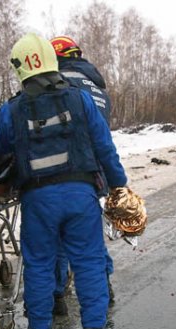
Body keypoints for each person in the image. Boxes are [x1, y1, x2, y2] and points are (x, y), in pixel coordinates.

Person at [0, 33, 127, 329]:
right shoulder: (79, 98)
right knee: (89, 260)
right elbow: (103, 145)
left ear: (20, 67)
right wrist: (118, 183)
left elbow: (0, 145)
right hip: (80, 194)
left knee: (39, 261)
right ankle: (94, 327)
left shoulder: (12, 108)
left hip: (38, 198)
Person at [50, 35, 115, 310]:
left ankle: (57, 294)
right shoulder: (98, 87)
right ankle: (104, 285)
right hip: (97, 170)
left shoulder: (62, 83)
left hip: (68, 168)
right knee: (90, 234)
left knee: (60, 234)